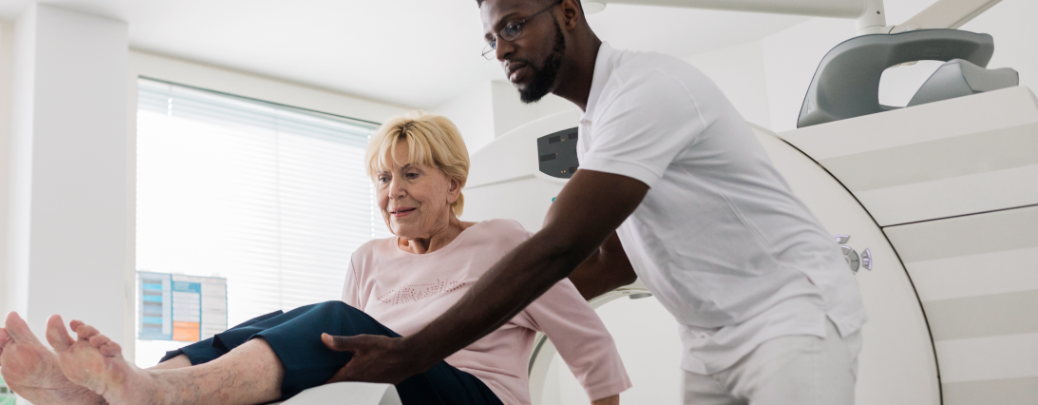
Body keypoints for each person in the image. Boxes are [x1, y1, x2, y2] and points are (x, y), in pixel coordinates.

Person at [323, 1, 867, 404]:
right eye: (492, 39)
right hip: (706, 338)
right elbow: (615, 261)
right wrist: (506, 311)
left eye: (514, 26)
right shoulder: (593, 131)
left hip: (786, 313)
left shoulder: (645, 91)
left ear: (567, 12)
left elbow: (559, 246)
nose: (503, 49)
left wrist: (415, 352)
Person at [0, 111, 631, 405]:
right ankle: (112, 391)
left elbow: (587, 339)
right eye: (382, 179)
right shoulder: (369, 256)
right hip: (388, 388)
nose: (393, 193)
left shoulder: (505, 240)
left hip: (470, 398)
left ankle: (153, 395)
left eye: (411, 175)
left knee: (325, 316)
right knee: (278, 319)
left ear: (454, 184)